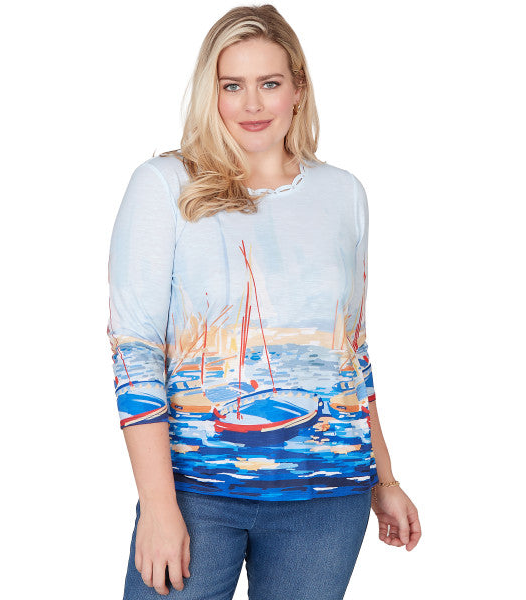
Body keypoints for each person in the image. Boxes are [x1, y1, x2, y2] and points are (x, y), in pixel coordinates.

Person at [107, 4, 422, 599]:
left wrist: (385, 479)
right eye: (232, 86)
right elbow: (136, 351)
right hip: (196, 494)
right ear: (212, 93)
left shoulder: (344, 194)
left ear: (298, 89)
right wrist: (158, 507)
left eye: (269, 84)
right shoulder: (165, 185)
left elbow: (351, 352)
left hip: (328, 499)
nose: (252, 104)